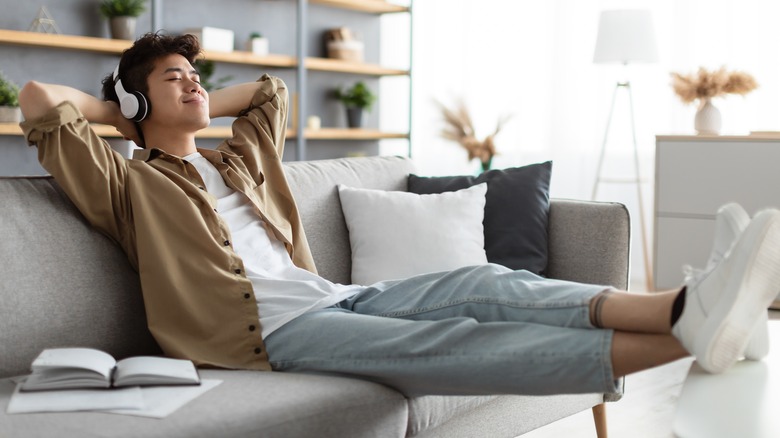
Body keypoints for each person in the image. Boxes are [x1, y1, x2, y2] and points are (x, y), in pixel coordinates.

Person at [18, 32, 780, 397]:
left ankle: (689, 307)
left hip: (333, 299)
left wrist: (180, 94)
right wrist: (124, 109)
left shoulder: (235, 164)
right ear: (136, 102)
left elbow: (267, 94)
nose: (194, 87)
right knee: (457, 342)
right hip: (266, 337)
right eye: (175, 79)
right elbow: (37, 103)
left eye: (195, 76)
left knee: (490, 283)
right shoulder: (129, 185)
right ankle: (691, 338)